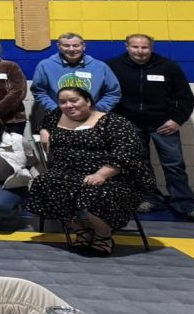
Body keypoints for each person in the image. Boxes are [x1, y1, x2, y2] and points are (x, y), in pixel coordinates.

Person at [29, 86, 156, 255]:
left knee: (93, 190)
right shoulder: (56, 117)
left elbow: (126, 153)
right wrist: (44, 131)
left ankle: (103, 236)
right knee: (44, 182)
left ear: (88, 101)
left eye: (74, 100)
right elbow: (44, 124)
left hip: (113, 174)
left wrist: (102, 174)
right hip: (68, 172)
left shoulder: (113, 122)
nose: (68, 105)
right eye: (62, 102)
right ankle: (81, 231)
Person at [106, 33, 194, 223]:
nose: (140, 51)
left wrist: (176, 120)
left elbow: (186, 99)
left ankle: (184, 204)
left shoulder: (168, 67)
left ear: (151, 48)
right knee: (140, 165)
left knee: (174, 165)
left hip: (163, 124)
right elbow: (106, 95)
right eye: (135, 47)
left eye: (144, 47)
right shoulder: (113, 66)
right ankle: (149, 198)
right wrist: (118, 121)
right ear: (127, 47)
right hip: (130, 125)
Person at [30, 33, 121, 127]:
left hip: (92, 119)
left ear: (83, 46)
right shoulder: (45, 66)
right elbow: (39, 91)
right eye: (66, 45)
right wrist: (55, 109)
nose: (71, 49)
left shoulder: (100, 66)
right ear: (59, 47)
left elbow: (113, 92)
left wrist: (96, 109)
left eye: (76, 45)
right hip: (58, 119)